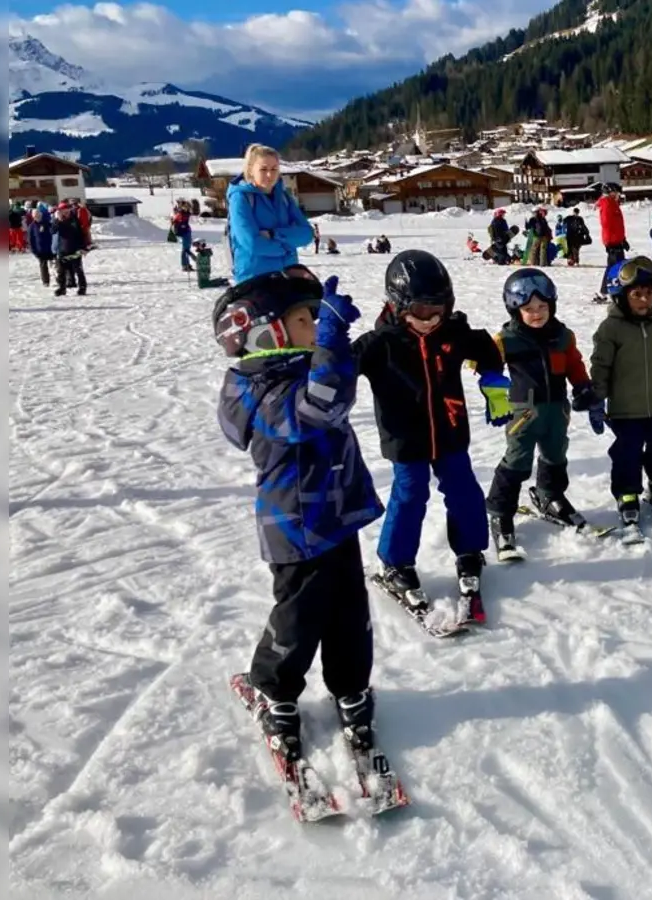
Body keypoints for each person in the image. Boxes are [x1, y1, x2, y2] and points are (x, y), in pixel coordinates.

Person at [213, 266, 382, 760]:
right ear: (267, 331)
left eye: (314, 318)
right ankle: (273, 687)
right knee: (299, 617)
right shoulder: (258, 392)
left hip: (335, 516)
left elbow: (334, 385)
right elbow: (321, 407)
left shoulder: (295, 369)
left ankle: (350, 683)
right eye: (306, 319)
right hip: (294, 526)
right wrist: (331, 344)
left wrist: (336, 342)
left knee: (350, 612)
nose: (316, 326)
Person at [353, 250, 505, 624]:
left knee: (465, 490)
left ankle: (470, 550)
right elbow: (335, 368)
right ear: (397, 303)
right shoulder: (379, 344)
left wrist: (493, 379)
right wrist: (326, 346)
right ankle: (395, 563)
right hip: (405, 439)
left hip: (450, 432)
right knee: (411, 493)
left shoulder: (450, 331)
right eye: (421, 311)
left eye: (438, 309)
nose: (430, 319)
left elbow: (486, 346)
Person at [485, 268, 599, 553]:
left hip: (557, 409)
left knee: (556, 454)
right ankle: (501, 511)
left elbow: (574, 364)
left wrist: (584, 387)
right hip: (523, 411)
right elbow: (486, 366)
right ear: (515, 310)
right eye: (528, 308)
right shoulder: (506, 339)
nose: (536, 313)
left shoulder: (562, 336)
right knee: (517, 460)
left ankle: (550, 494)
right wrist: (494, 391)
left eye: (542, 307)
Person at [590, 256, 652, 528]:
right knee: (626, 454)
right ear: (620, 296)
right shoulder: (610, 328)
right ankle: (626, 493)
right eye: (636, 294)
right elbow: (601, 366)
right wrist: (597, 400)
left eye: (649, 294)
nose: (644, 300)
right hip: (625, 409)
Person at [227, 143, 314, 284]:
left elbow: (307, 234)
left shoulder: (284, 197)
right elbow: (251, 243)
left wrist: (274, 234)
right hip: (254, 280)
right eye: (263, 169)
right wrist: (286, 247)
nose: (270, 174)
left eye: (274, 169)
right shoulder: (241, 198)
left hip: (287, 276)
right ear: (250, 170)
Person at [595, 184, 629, 303]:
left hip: (616, 240)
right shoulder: (607, 204)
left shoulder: (613, 204)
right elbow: (607, 224)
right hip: (612, 241)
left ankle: (611, 290)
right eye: (616, 193)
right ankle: (606, 291)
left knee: (617, 266)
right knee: (615, 267)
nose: (618, 195)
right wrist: (610, 243)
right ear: (610, 192)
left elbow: (618, 225)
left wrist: (623, 239)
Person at [51, 202, 90, 297]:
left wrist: (83, 248)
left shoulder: (74, 220)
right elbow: (53, 230)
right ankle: (62, 288)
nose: (65, 212)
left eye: (66, 210)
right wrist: (58, 220)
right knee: (61, 271)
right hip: (62, 250)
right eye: (62, 211)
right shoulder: (58, 221)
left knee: (78, 270)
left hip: (75, 250)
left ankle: (82, 288)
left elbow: (81, 235)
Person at [27, 204, 54, 287]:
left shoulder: (47, 223)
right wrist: (34, 251)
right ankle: (46, 281)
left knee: (57, 265)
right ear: (33, 217)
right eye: (35, 216)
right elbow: (30, 240)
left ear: (41, 215)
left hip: (50, 248)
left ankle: (60, 279)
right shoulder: (31, 227)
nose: (37, 217)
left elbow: (53, 233)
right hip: (40, 250)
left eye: (38, 215)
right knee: (43, 266)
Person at [172, 203, 194, 272]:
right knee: (185, 249)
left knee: (187, 248)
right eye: (185, 207)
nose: (187, 208)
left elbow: (186, 219)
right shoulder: (180, 214)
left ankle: (187, 264)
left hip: (187, 232)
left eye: (188, 207)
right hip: (184, 232)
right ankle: (184, 265)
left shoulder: (186, 213)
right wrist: (180, 225)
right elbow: (175, 221)